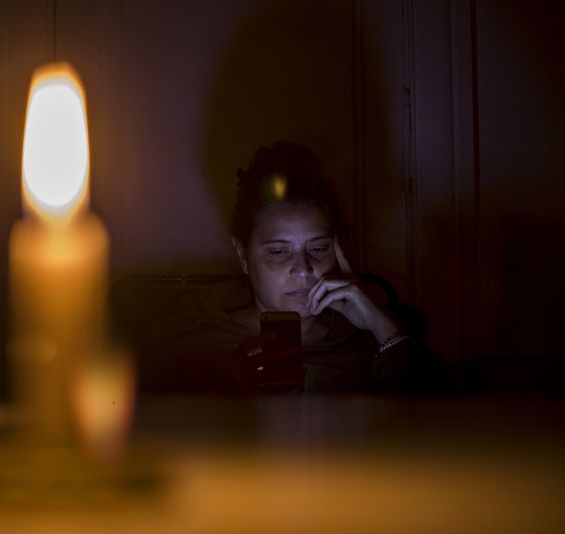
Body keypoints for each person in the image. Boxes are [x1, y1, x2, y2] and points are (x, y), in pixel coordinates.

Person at [139, 142, 424, 394]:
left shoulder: (370, 343)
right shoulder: (189, 341)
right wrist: (229, 390)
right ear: (243, 255)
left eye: (318, 249)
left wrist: (382, 327)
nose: (303, 270)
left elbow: (431, 416)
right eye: (278, 252)